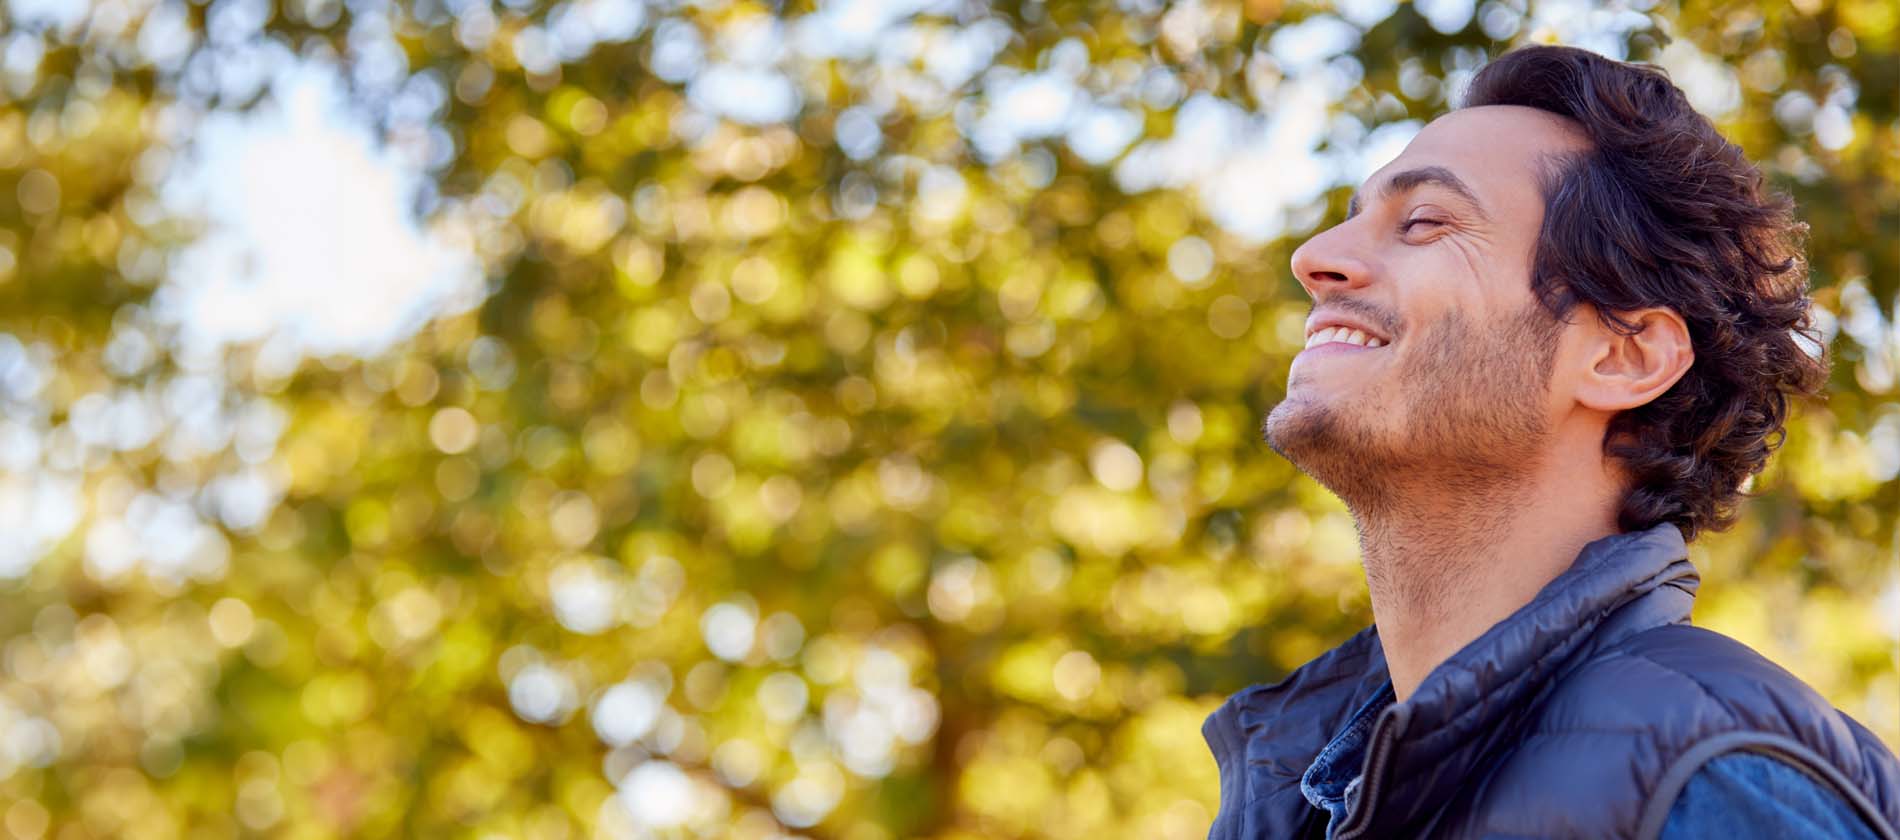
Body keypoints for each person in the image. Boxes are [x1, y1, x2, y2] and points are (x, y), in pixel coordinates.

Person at [1201, 45, 1900, 840]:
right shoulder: (1300, 797)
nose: (1314, 256)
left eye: (1425, 221)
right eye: (1354, 214)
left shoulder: (1715, 781)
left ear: (1622, 355)